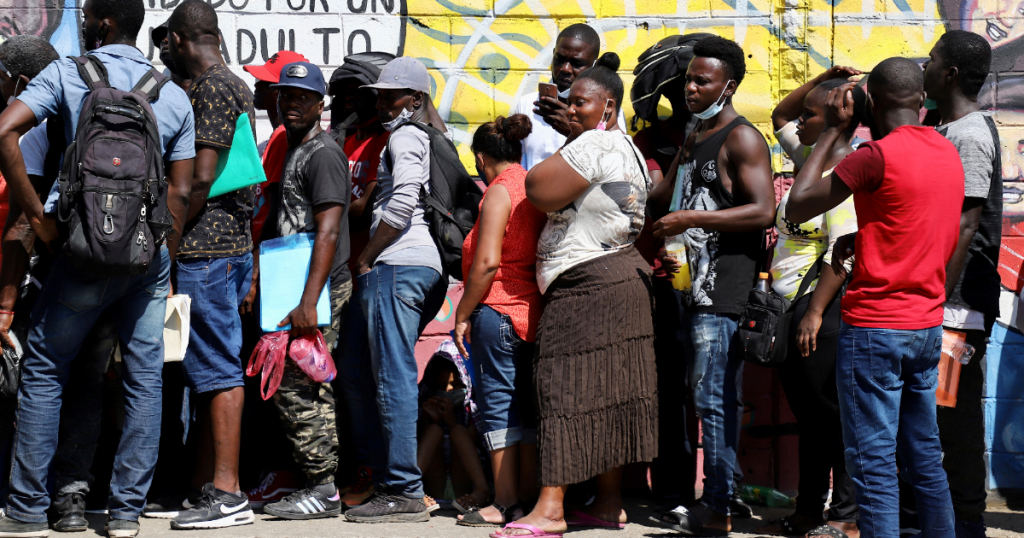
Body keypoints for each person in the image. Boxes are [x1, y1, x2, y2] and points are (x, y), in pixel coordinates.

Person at [0, 0, 196, 534]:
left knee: (45, 370)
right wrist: (159, 256)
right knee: (143, 380)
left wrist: (41, 221)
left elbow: (5, 131)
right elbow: (181, 190)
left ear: (103, 22)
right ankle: (127, 514)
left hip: (78, 249)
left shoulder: (67, 74)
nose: (83, 22)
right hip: (145, 257)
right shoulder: (172, 94)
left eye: (86, 15)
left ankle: (25, 511)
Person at [785, 57, 963, 538]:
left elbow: (798, 203)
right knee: (925, 458)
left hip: (876, 330)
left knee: (873, 465)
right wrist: (865, 241)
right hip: (925, 327)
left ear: (870, 103)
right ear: (919, 100)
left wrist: (831, 132)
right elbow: (914, 225)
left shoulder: (873, 156)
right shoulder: (947, 151)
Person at [491, 51, 656, 537]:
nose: (571, 108)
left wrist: (574, 138)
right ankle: (608, 504)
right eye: (569, 101)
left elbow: (540, 188)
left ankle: (550, 510)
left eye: (582, 102)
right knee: (611, 394)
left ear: (608, 108)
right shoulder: (627, 149)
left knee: (563, 392)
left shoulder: (593, 146)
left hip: (587, 287)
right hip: (623, 282)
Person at [650, 35, 776, 536]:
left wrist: (688, 216)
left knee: (713, 398)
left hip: (722, 291)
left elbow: (765, 209)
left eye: (703, 81)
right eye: (689, 80)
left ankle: (719, 507)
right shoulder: (695, 133)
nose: (692, 89)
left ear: (730, 85)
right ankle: (719, 501)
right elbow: (664, 198)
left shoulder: (742, 138)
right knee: (706, 397)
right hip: (691, 285)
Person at [242, 61, 351, 520]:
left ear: (320, 105)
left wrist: (309, 300)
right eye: (286, 97)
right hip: (292, 281)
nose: (291, 105)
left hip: (318, 288)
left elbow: (327, 232)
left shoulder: (324, 153)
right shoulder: (291, 146)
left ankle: (323, 488)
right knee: (288, 381)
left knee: (302, 383)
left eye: (302, 98)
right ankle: (312, 482)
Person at [756, 72, 864, 538]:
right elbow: (780, 115)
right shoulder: (810, 160)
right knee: (810, 418)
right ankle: (806, 512)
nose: (799, 123)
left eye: (811, 116)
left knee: (829, 416)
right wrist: (828, 78)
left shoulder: (847, 174)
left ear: (838, 120)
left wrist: (816, 313)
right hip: (789, 307)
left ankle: (845, 516)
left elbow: (842, 253)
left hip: (819, 310)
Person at [342, 56, 448, 524]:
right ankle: (390, 481)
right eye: (380, 96)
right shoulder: (424, 135)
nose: (382, 104)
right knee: (377, 373)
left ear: (416, 100)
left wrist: (367, 256)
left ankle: (403, 488)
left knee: (392, 376)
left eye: (392, 96)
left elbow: (404, 201)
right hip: (414, 268)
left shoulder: (405, 135)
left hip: (399, 263)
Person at [165, 0, 258, 529]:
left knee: (219, 367)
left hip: (208, 250)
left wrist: (169, 247)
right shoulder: (229, 84)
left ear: (179, 39)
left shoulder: (214, 87)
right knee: (206, 369)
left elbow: (200, 179)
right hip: (222, 249)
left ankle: (228, 493)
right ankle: (209, 488)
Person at [923, 30, 1001, 538]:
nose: (924, 68)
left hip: (957, 304)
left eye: (931, 61)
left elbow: (968, 223)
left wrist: (935, 298)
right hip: (943, 299)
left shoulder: (970, 133)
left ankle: (968, 520)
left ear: (949, 72)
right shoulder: (942, 125)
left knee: (953, 413)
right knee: (935, 411)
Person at [451, 114, 543, 527]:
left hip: (499, 309)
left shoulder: (498, 193)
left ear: (481, 158)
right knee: (524, 410)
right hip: (531, 315)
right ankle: (524, 497)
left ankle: (504, 502)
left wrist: (462, 313)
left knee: (498, 409)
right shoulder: (534, 185)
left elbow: (487, 264)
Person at [510, 23, 625, 170]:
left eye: (577, 63)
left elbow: (616, 165)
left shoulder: (607, 110)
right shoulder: (528, 104)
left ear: (594, 65)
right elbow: (516, 163)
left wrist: (575, 133)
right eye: (559, 59)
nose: (565, 69)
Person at [242, 50, 309, 245]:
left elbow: (277, 207)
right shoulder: (277, 136)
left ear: (281, 91)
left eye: (265, 81)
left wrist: (257, 259)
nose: (256, 85)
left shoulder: (282, 137)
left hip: (267, 248)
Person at [417, 342, 488, 511]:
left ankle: (481, 491)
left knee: (458, 431)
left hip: (463, 486)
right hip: (434, 488)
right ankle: (412, 490)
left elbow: (476, 443)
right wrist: (431, 420)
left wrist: (452, 423)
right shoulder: (424, 411)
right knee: (434, 431)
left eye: (455, 386)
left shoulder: (473, 413)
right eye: (441, 387)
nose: (448, 392)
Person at [150, 22, 191, 91]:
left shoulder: (210, 85)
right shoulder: (153, 85)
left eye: (172, 36)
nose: (165, 40)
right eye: (162, 37)